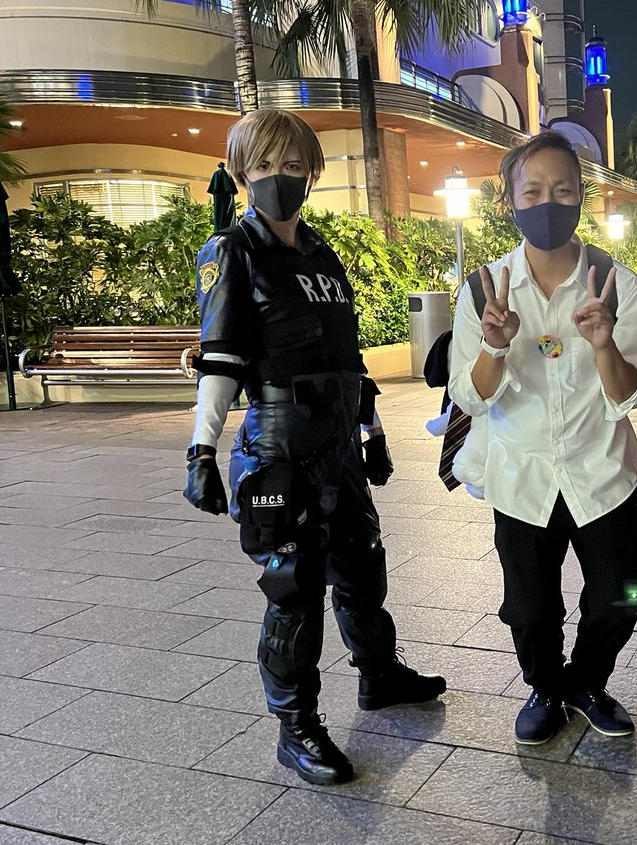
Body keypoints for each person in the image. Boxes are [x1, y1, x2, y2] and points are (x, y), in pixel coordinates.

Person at [182, 109, 445, 786]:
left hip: (337, 440)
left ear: (312, 173)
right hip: (277, 443)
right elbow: (220, 359)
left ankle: (379, 675)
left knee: (362, 565)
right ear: (242, 173)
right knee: (293, 589)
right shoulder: (231, 251)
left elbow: (348, 359)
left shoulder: (322, 255)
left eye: (294, 165)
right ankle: (295, 727)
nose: (281, 177)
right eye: (265, 165)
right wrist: (201, 451)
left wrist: (372, 433)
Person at [447, 132, 637, 746]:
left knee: (621, 596)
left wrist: (604, 345)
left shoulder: (615, 284)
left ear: (581, 198)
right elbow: (470, 396)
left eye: (563, 191)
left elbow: (628, 396)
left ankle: (587, 684)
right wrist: (493, 345)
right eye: (533, 191)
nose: (548, 203)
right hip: (522, 475)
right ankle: (544, 687)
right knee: (530, 607)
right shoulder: (484, 290)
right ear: (509, 201)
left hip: (601, 471)